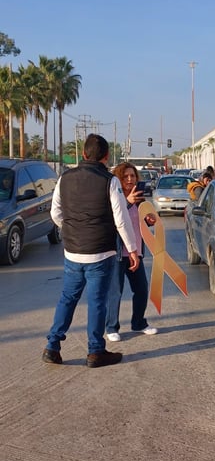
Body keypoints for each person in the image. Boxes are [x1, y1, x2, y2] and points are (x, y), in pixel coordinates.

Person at [42, 134, 139, 369]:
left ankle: (52, 347)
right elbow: (121, 220)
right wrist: (132, 249)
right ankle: (95, 352)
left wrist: (73, 228)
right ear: (106, 157)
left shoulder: (64, 178)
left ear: (84, 154)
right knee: (97, 301)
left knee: (68, 298)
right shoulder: (109, 181)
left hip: (73, 251)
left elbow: (55, 213)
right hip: (100, 252)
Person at [106, 162, 157, 342]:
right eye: (125, 176)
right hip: (118, 252)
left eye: (133, 176)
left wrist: (149, 220)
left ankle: (139, 323)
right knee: (115, 291)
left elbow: (140, 222)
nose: (129, 179)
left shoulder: (140, 199)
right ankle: (111, 327)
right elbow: (113, 221)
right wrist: (127, 203)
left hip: (136, 251)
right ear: (118, 179)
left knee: (142, 289)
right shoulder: (115, 198)